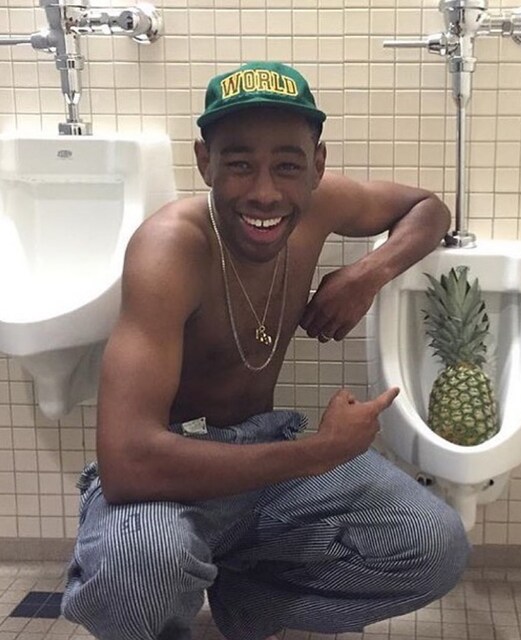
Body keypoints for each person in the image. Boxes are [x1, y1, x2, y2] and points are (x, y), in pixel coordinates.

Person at [61, 61, 469, 640]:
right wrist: (319, 452)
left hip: (264, 450)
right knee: (139, 566)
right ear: (204, 162)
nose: (264, 191)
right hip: (172, 473)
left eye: (287, 165)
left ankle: (248, 605)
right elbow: (129, 465)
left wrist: (367, 273)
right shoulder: (170, 247)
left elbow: (429, 208)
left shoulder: (322, 203)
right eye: (238, 164)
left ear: (316, 166)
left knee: (435, 544)